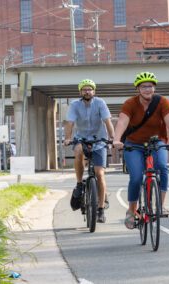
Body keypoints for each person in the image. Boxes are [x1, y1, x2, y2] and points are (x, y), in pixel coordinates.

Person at [113, 71, 169, 229]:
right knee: (136, 177)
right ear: (138, 89)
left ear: (154, 88)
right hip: (134, 144)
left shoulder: (162, 102)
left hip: (156, 142)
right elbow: (122, 122)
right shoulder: (130, 103)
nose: (147, 89)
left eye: (150, 86)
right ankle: (132, 211)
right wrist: (117, 139)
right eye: (144, 86)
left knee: (162, 166)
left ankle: (160, 205)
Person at [64, 79, 115, 223]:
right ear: (80, 92)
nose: (87, 91)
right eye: (84, 89)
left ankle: (100, 209)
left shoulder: (100, 103)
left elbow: (107, 121)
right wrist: (68, 138)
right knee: (78, 150)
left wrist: (112, 138)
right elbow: (70, 123)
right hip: (81, 138)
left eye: (90, 89)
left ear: (94, 91)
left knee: (99, 173)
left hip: (99, 140)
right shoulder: (74, 105)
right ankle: (80, 184)